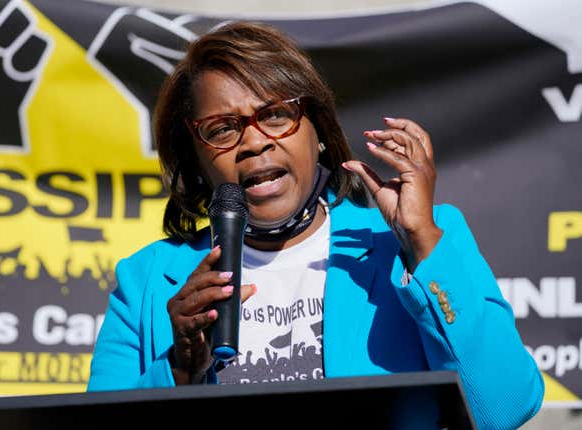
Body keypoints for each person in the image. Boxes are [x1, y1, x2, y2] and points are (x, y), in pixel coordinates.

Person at [87, 21, 543, 429]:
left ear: (319, 132)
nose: (253, 142)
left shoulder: (413, 245)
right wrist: (180, 368)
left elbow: (504, 409)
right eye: (223, 129)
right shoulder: (147, 280)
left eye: (275, 115)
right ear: (197, 159)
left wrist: (421, 243)